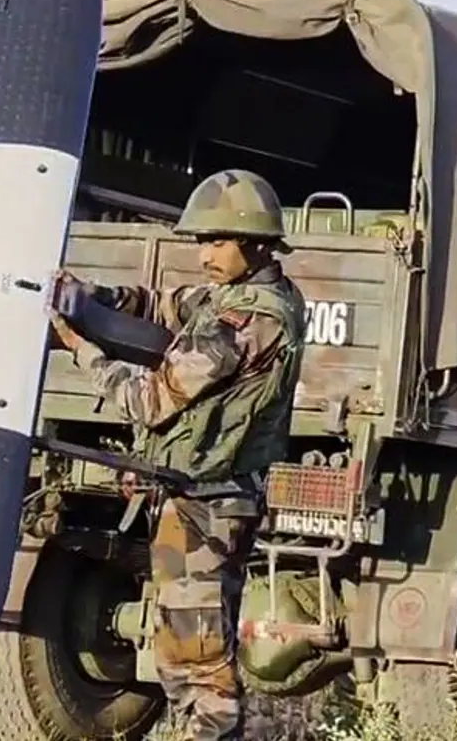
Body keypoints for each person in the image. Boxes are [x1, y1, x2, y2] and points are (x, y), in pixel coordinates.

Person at [48, 169, 307, 741]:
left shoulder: (247, 323)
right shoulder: (239, 298)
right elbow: (161, 305)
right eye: (200, 242)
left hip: (209, 507)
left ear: (256, 243)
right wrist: (91, 297)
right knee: (183, 659)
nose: (204, 254)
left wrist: (82, 350)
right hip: (199, 502)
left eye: (217, 241)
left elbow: (149, 400)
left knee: (199, 674)